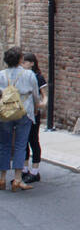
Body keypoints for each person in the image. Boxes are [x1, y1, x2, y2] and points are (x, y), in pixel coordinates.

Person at [0, 47, 40, 192]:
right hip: (24, 112)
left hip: (5, 114)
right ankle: (17, 179)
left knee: (4, 145)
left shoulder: (1, 75)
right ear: (20, 60)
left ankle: (2, 178)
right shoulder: (28, 74)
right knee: (20, 145)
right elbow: (36, 95)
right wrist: (37, 107)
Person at [21, 52, 47, 184]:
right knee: (23, 141)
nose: (23, 64)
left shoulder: (38, 77)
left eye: (25, 62)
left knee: (33, 140)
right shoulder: (23, 76)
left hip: (34, 112)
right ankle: (24, 169)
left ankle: (35, 171)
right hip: (24, 112)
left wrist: (42, 104)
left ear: (32, 63)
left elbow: (44, 95)